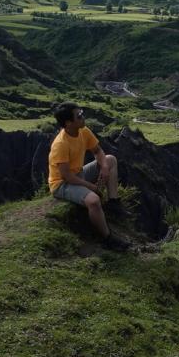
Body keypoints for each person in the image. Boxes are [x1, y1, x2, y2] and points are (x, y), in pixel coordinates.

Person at [49, 102, 130, 251]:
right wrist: (92, 187)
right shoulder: (60, 144)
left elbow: (98, 151)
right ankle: (107, 238)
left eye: (81, 113)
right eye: (79, 115)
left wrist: (104, 167)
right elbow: (66, 176)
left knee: (110, 159)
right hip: (61, 184)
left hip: (78, 174)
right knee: (93, 201)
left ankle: (113, 202)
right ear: (68, 123)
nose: (83, 117)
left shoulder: (83, 131)